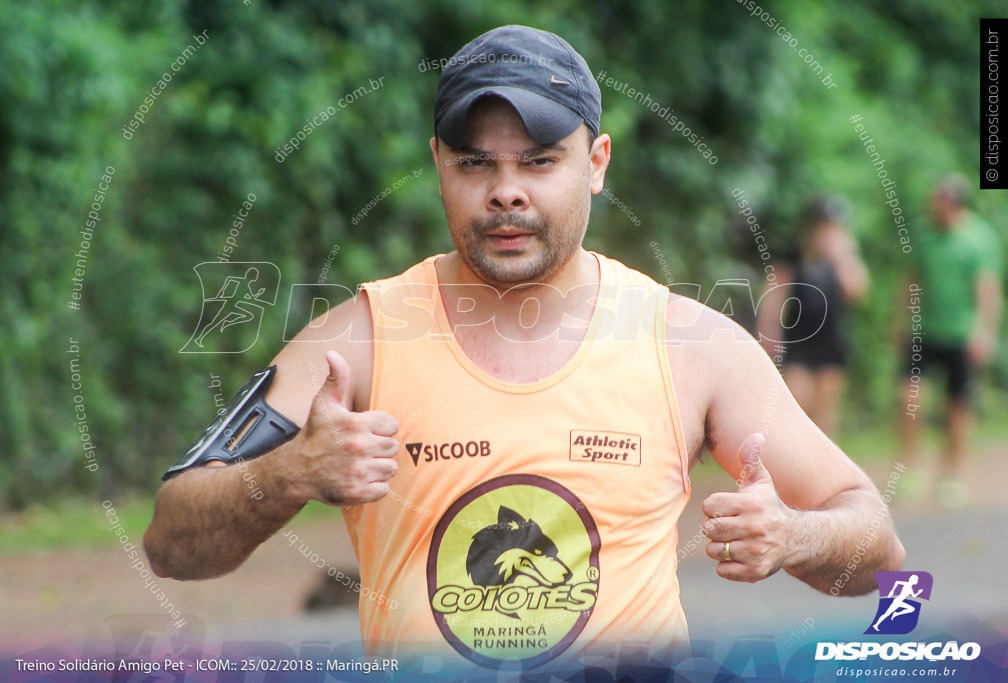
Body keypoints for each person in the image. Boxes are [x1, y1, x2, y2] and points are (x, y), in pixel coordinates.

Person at [144, 25, 904, 673]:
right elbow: (172, 540)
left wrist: (794, 534)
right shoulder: (360, 342)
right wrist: (288, 472)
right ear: (440, 164)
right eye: (477, 163)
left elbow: (875, 540)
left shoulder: (687, 344)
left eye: (540, 161)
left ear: (597, 163)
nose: (507, 191)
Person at [898, 175, 1003, 508]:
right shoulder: (924, 234)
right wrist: (901, 319)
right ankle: (911, 466)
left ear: (954, 203)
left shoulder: (978, 238)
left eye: (940, 201)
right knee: (910, 397)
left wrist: (984, 331)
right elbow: (911, 280)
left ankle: (951, 473)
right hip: (924, 330)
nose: (934, 207)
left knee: (957, 406)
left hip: (961, 334)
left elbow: (987, 288)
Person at [759, 196, 869, 437]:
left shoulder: (843, 259)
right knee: (798, 400)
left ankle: (824, 467)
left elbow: (857, 292)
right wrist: (769, 331)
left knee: (826, 409)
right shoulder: (793, 256)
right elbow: (774, 294)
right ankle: (797, 459)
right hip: (798, 338)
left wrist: (842, 256)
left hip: (831, 339)